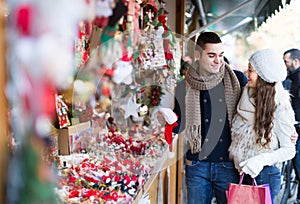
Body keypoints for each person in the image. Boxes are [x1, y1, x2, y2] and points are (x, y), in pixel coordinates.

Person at [173, 31, 248, 204]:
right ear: (198, 55)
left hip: (229, 165)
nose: (218, 60)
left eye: (221, 55)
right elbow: (180, 124)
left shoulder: (237, 79)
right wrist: (165, 119)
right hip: (197, 166)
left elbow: (255, 113)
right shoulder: (184, 86)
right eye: (212, 55)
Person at [229, 48, 296, 201]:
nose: (247, 72)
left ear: (263, 75)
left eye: (251, 70)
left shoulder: (281, 105)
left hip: (264, 175)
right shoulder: (244, 94)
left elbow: (289, 150)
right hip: (239, 172)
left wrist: (259, 161)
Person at [283, 48, 300, 203]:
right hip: (291, 124)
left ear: (296, 62)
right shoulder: (289, 78)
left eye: (286, 62)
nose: (285, 65)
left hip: (298, 126)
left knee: (299, 162)